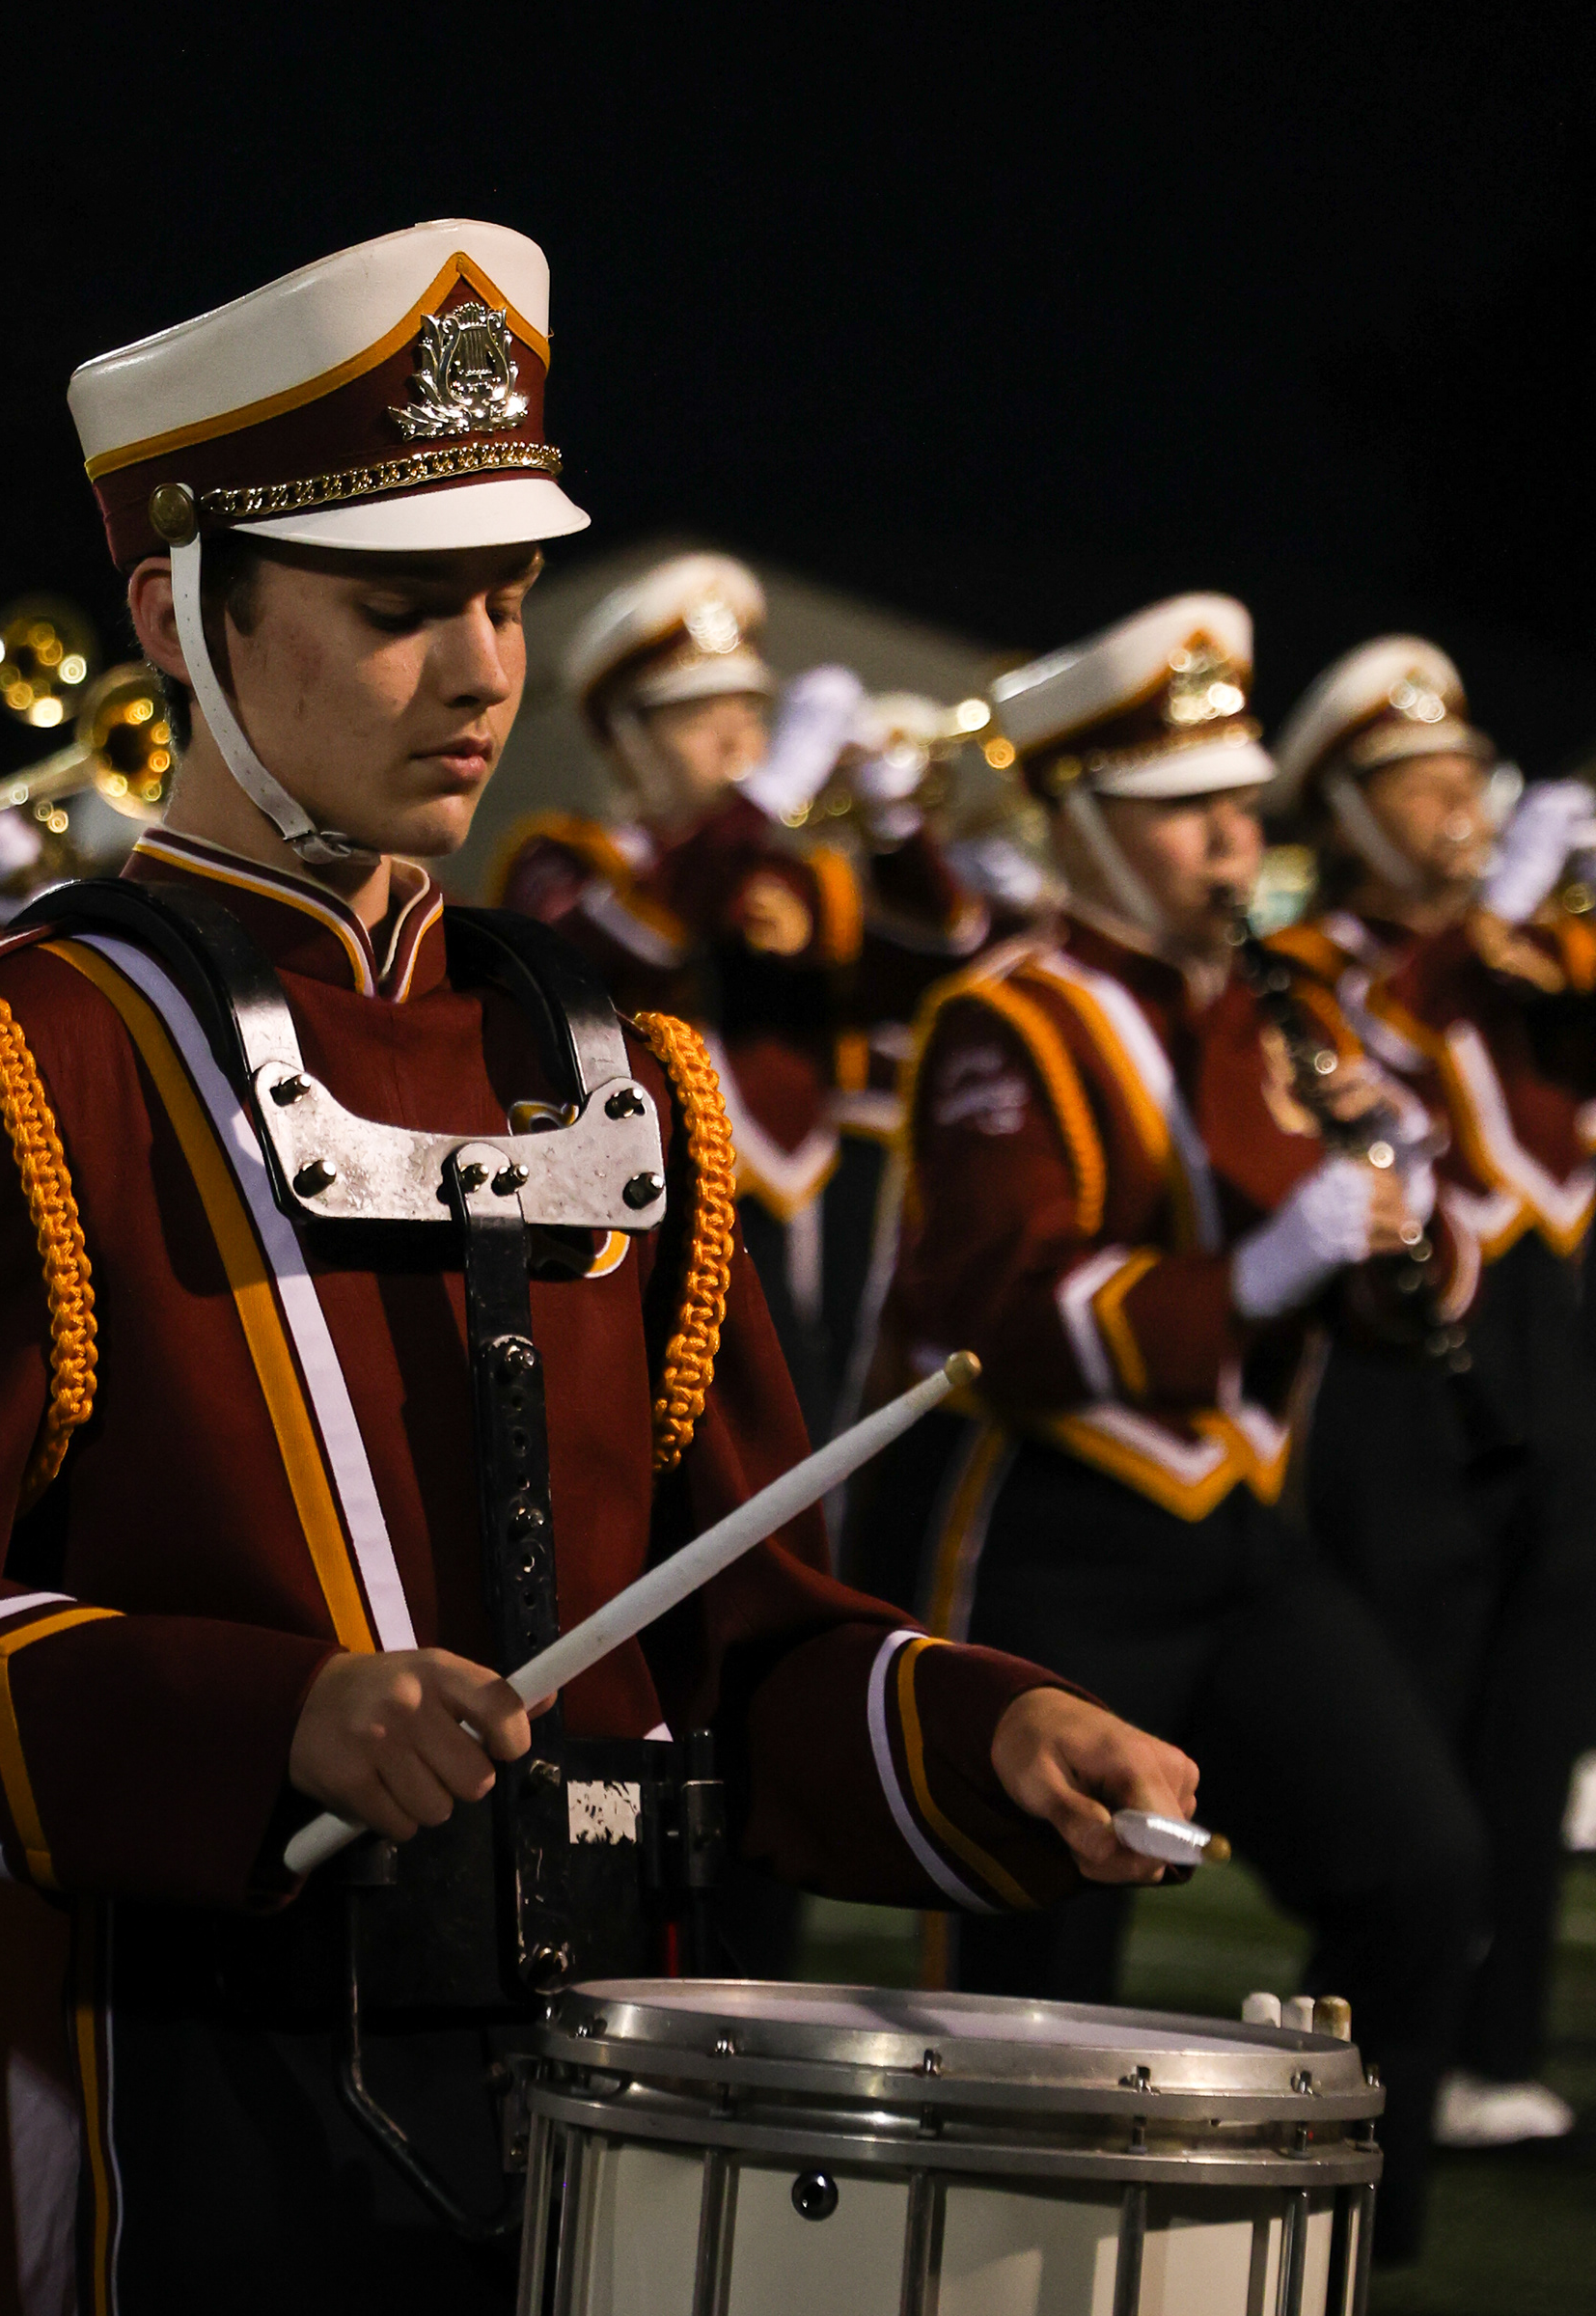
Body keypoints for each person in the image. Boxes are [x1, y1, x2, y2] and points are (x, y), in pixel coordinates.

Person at [0, 221, 1196, 2316]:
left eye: (506, 599)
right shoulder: (8, 1046)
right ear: (180, 612)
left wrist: (985, 1728)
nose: (485, 673)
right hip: (156, 2119)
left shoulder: (622, 1067)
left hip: (593, 2121)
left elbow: (734, 1639)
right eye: (399, 608)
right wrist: (273, 1720)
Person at [858, 593, 1488, 2261]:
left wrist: (1410, 1219)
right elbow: (1004, 1316)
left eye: (1239, 805)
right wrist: (1261, 1269)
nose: (1233, 842)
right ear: (1084, 824)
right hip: (1054, 1532)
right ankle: (985, 2269)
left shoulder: (1289, 1013)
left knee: (1421, 1872)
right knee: (1029, 1959)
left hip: (1242, 1523)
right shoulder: (1004, 1018)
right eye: (1186, 809)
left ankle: (1343, 2249)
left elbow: (1404, 1289)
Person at [1266, 637, 1596, 2150]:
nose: (1459, 806)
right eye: (1416, 783)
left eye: (1468, 774)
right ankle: (1361, 2036)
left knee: (1538, 1712)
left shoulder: (1532, 953)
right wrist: (1496, 914)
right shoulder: (1312, 966)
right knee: (1406, 1718)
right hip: (1400, 1378)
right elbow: (1366, 1077)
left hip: (1557, 1352)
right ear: (1344, 811)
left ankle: (1492, 2048)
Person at [495, 554, 984, 1448]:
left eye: (752, 712)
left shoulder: (802, 875)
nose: (737, 742)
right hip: (657, 1209)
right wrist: (759, 802)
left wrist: (895, 827)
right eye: (697, 715)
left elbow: (938, 968)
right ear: (624, 736)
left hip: (825, 1207)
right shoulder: (564, 857)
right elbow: (622, 948)